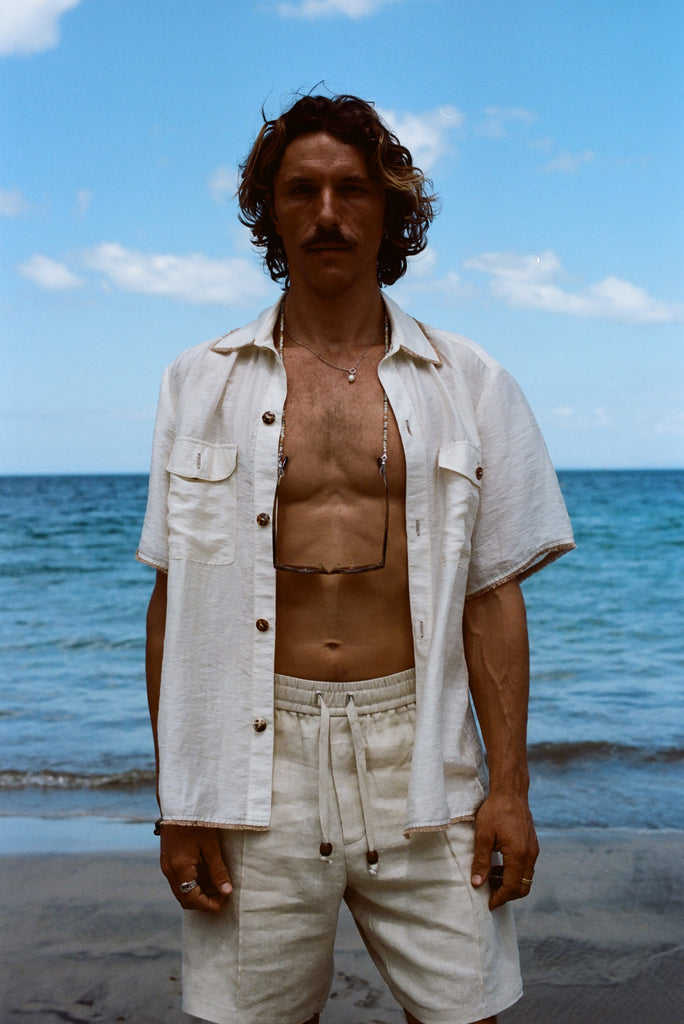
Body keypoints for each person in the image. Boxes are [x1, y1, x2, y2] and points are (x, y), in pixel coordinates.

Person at [139, 93, 575, 1024]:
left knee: (468, 1013)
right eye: (301, 190)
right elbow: (177, 599)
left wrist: (509, 788)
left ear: (391, 211)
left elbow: (492, 595)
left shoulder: (470, 381)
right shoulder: (200, 380)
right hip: (255, 763)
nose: (327, 213)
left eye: (352, 190)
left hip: (422, 756)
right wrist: (182, 797)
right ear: (270, 212)